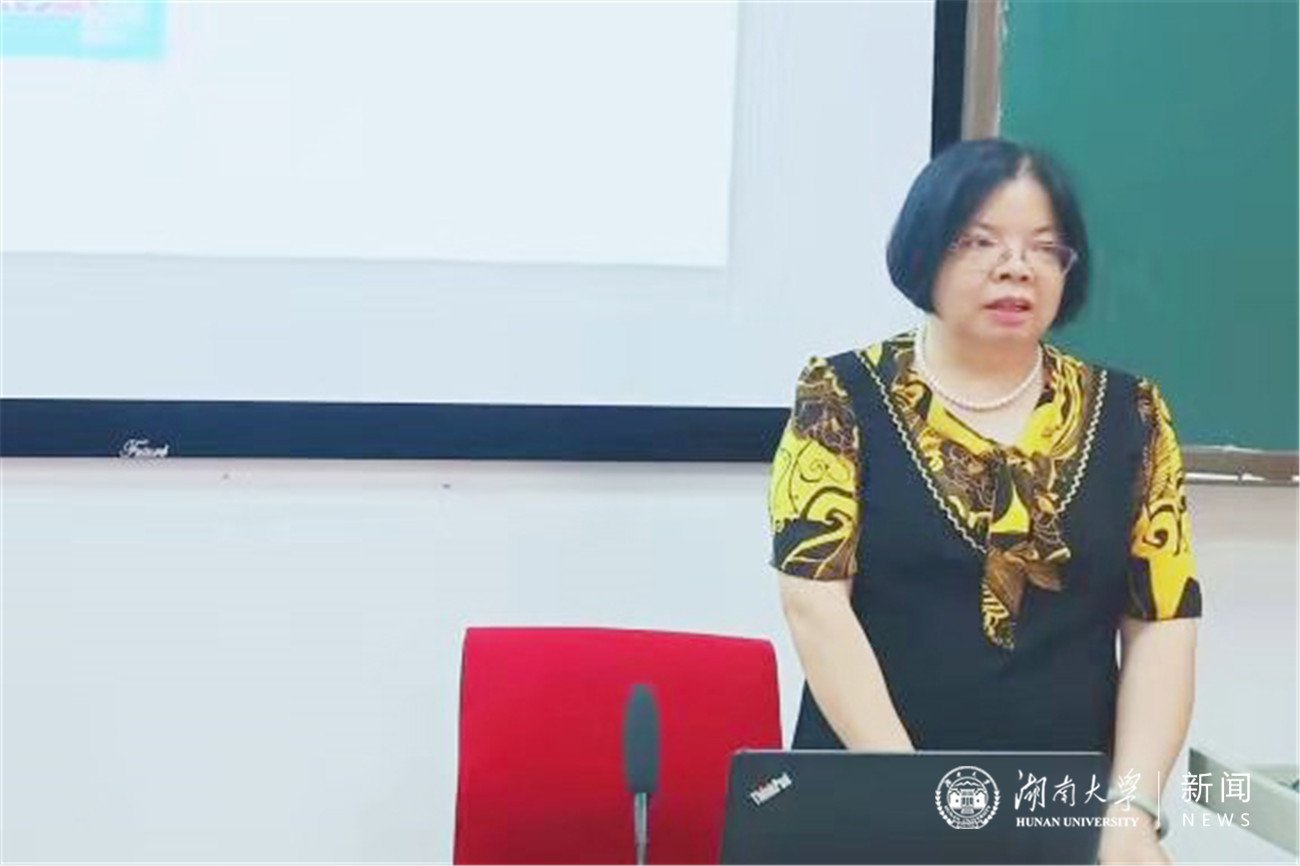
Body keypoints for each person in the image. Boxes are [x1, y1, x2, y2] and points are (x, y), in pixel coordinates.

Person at [767, 139, 1200, 865]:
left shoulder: (1134, 413)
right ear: (924, 250)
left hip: (1060, 805)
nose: (1015, 267)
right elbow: (814, 605)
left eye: (1045, 247)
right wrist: (914, 799)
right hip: (874, 797)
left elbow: (1162, 622)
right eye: (979, 241)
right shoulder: (839, 396)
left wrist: (1132, 809)